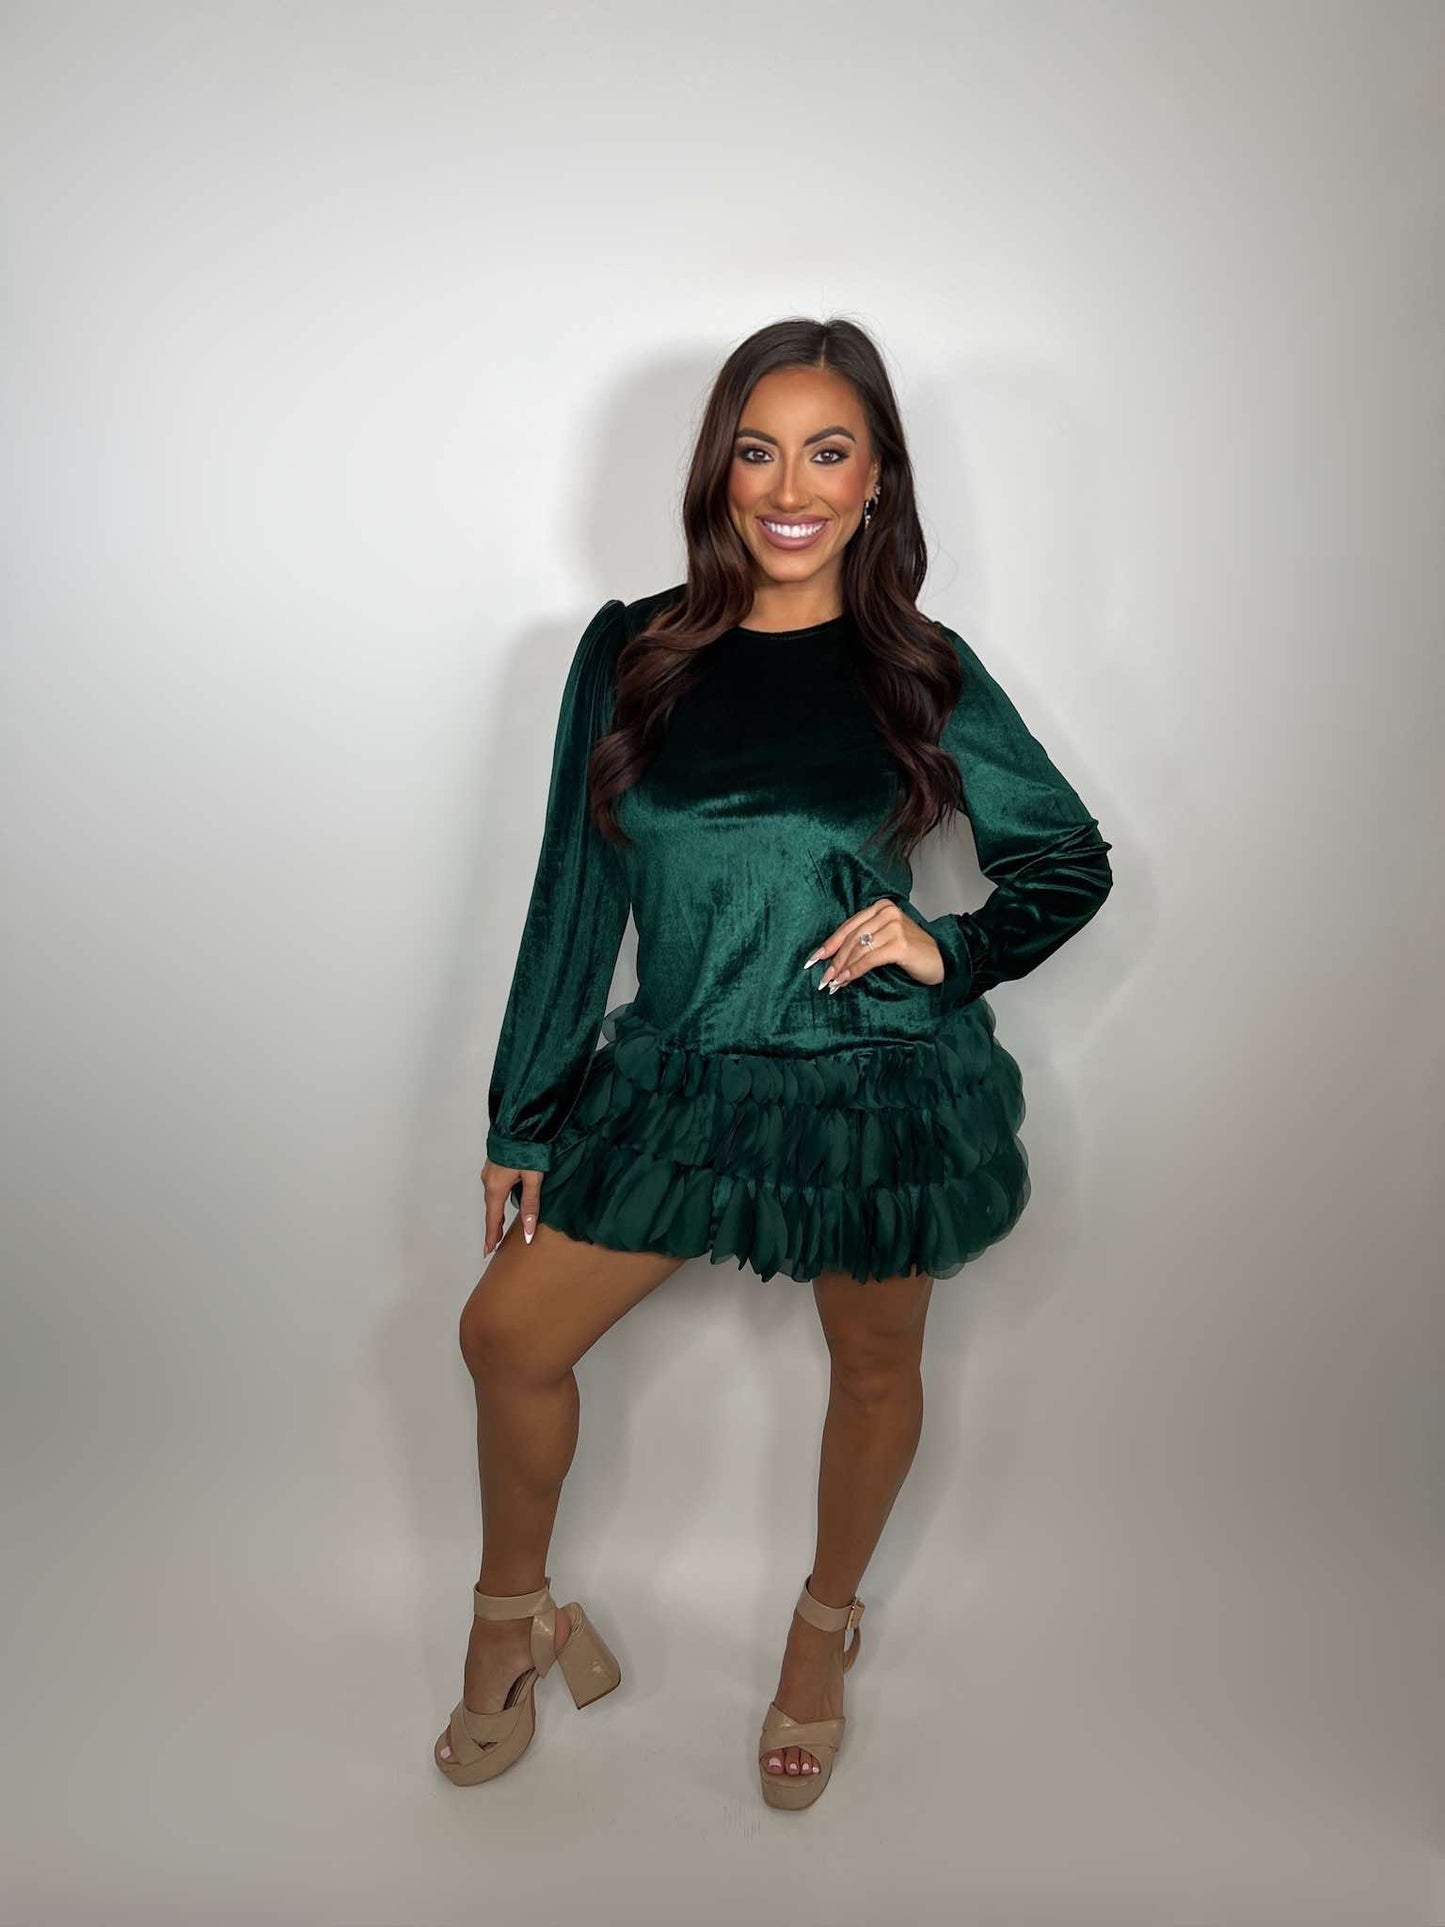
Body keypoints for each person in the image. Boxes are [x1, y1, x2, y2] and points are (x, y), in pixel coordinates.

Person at [434, 316, 1115, 1810]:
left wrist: (953, 948)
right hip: (679, 1083)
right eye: (759, 451)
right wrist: (524, 1115)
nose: (789, 488)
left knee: (872, 1368)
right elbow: (574, 892)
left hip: (868, 1091)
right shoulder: (632, 652)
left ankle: (821, 1634)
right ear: (720, 471)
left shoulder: (918, 669)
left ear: (875, 482)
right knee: (507, 1339)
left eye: (828, 452)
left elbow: (1066, 858)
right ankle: (510, 1619)